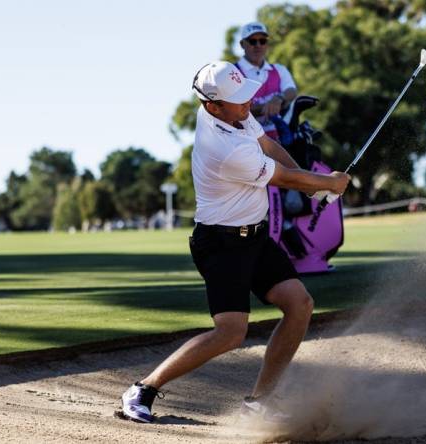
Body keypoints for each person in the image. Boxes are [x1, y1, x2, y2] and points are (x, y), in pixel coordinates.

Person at [120, 61, 351, 424]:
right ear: (212, 106)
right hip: (221, 245)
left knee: (300, 304)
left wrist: (312, 188)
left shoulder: (236, 114)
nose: (249, 103)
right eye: (239, 100)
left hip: (255, 236)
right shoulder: (223, 147)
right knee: (230, 333)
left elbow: (271, 147)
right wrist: (327, 183)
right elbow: (284, 177)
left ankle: (260, 401)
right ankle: (143, 389)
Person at [235, 22, 298, 141]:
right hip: (247, 145)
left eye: (262, 41)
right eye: (252, 41)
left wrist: (279, 98)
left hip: (280, 141)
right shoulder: (233, 73)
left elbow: (292, 91)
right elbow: (233, 112)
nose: (258, 45)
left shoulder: (279, 69)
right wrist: (266, 107)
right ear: (242, 44)